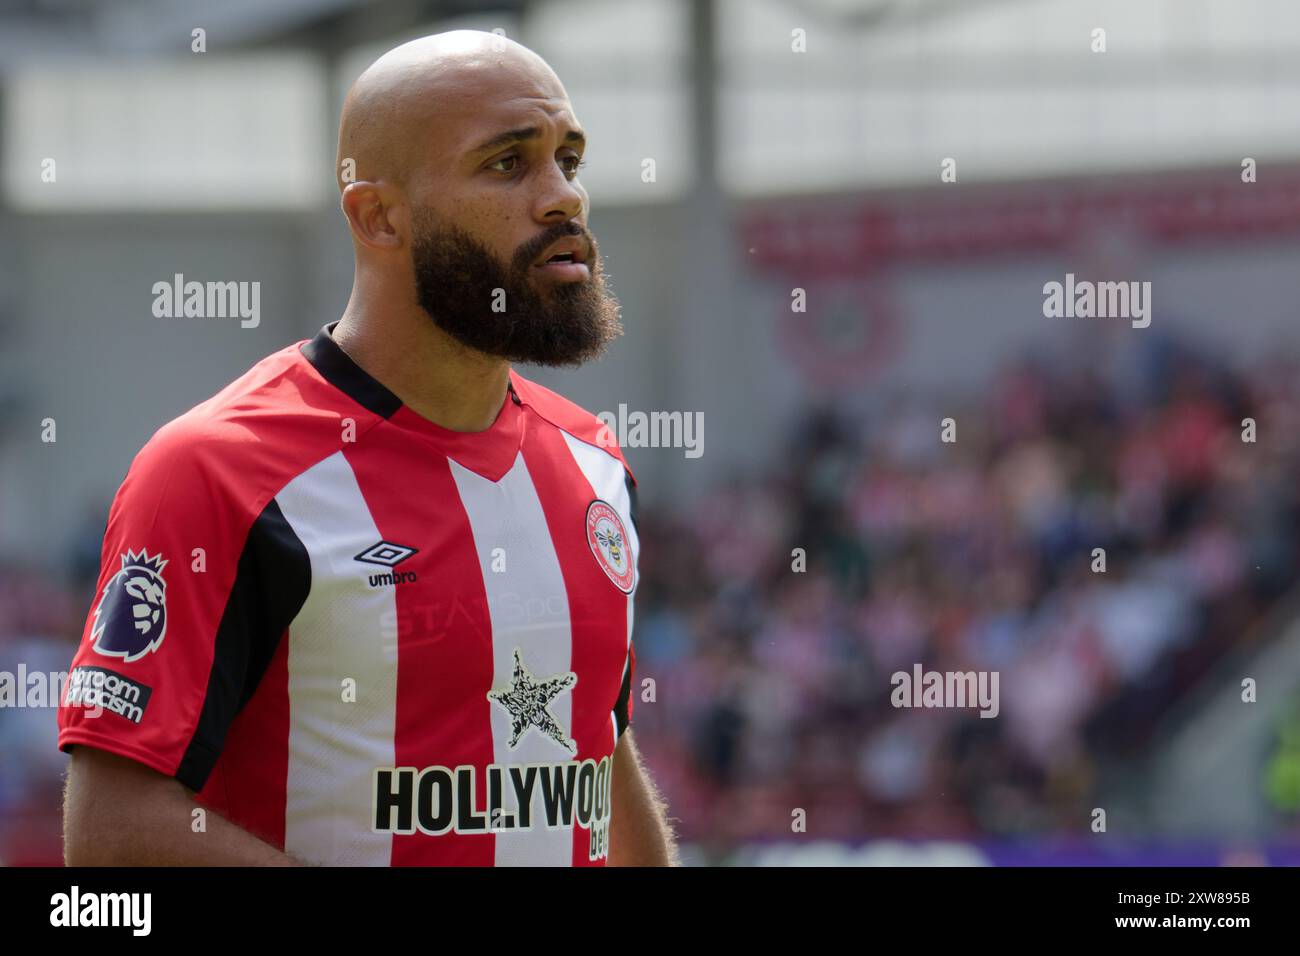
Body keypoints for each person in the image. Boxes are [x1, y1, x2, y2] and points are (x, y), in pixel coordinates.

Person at [59, 29, 677, 866]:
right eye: (507, 163)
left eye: (569, 158)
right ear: (379, 216)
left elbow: (598, 751)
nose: (562, 196)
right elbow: (112, 836)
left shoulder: (594, 463)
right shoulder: (217, 470)